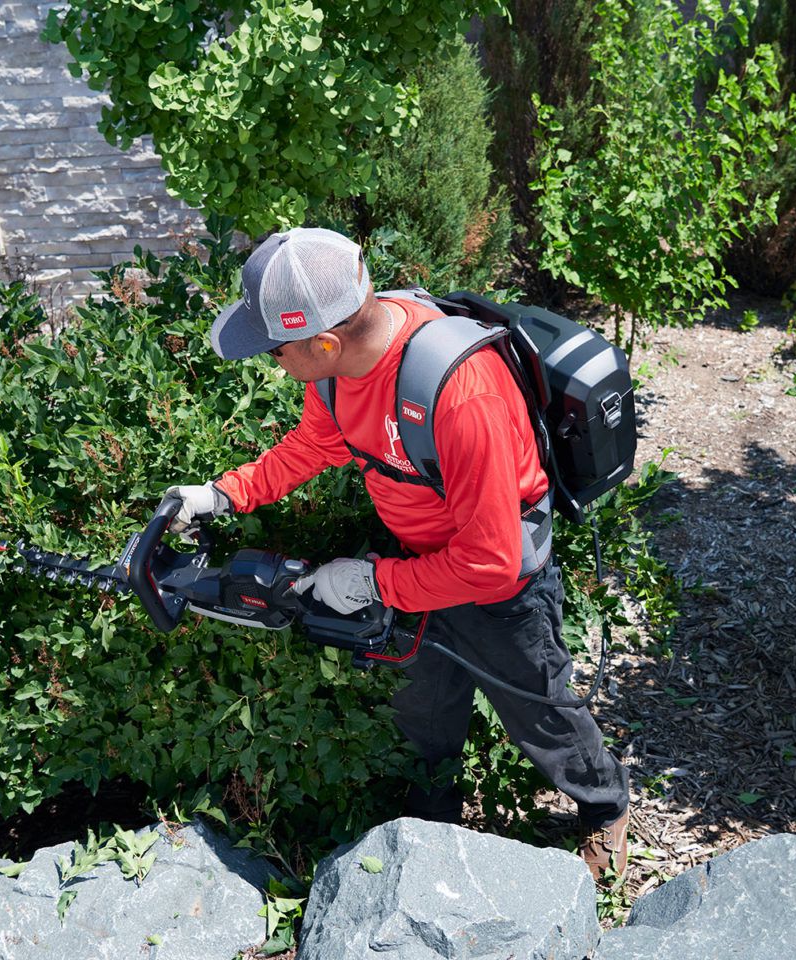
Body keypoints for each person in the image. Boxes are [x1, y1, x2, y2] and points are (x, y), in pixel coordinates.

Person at [163, 227, 629, 879]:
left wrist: (379, 584)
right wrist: (222, 494)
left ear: (324, 341)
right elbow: (313, 446)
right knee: (424, 705)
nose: (272, 362)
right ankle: (432, 820)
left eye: (276, 350)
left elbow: (490, 560)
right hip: (416, 563)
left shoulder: (462, 394)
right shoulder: (334, 373)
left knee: (537, 709)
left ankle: (605, 807)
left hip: (499, 586)